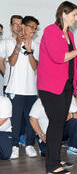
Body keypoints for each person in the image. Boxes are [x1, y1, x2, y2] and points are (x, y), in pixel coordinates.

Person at [37, 1, 77, 174]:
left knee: (59, 124)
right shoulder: (51, 31)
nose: (76, 18)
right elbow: (59, 57)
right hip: (51, 86)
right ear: (64, 14)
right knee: (56, 124)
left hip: (66, 85)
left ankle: (55, 160)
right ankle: (51, 166)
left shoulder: (69, 35)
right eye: (74, 14)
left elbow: (73, 61)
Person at [6, 16, 40, 159]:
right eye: (31, 26)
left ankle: (30, 145)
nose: (33, 30)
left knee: (30, 118)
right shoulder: (11, 42)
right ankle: (14, 145)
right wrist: (19, 45)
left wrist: (30, 50)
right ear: (23, 26)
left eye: (35, 28)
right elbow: (12, 62)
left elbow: (35, 66)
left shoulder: (36, 45)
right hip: (15, 88)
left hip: (31, 89)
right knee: (15, 120)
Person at [0, 15, 23, 95]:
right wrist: (9, 75)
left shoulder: (27, 42)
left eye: (20, 24)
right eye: (15, 24)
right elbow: (1, 62)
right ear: (10, 26)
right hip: (10, 85)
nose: (18, 27)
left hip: (24, 85)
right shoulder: (4, 42)